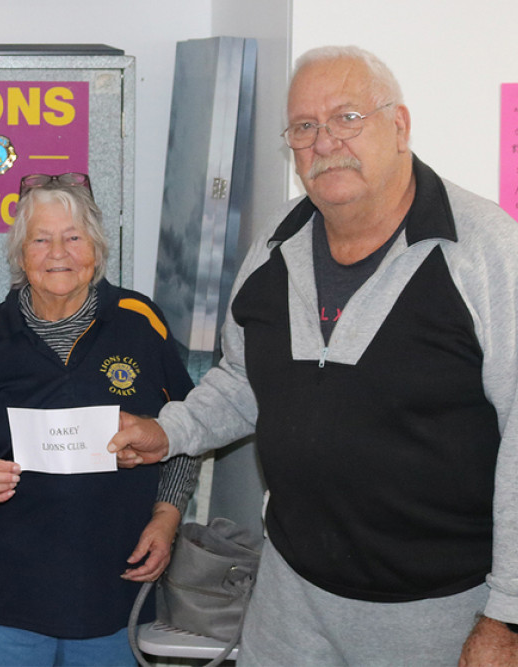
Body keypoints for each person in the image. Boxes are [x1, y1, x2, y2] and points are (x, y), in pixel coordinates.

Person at [109, 45, 518, 665]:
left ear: (399, 125)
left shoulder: (486, 252)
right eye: (305, 127)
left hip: (436, 610)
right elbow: (245, 381)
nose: (325, 142)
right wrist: (170, 433)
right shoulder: (273, 248)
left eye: (347, 117)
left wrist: (506, 616)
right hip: (290, 594)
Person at [0, 172, 201, 666]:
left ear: (96, 246)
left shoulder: (141, 324)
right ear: (19, 254)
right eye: (41, 239)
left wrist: (167, 516)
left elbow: (186, 430)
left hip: (114, 594)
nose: (59, 253)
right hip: (3, 603)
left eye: (73, 237)